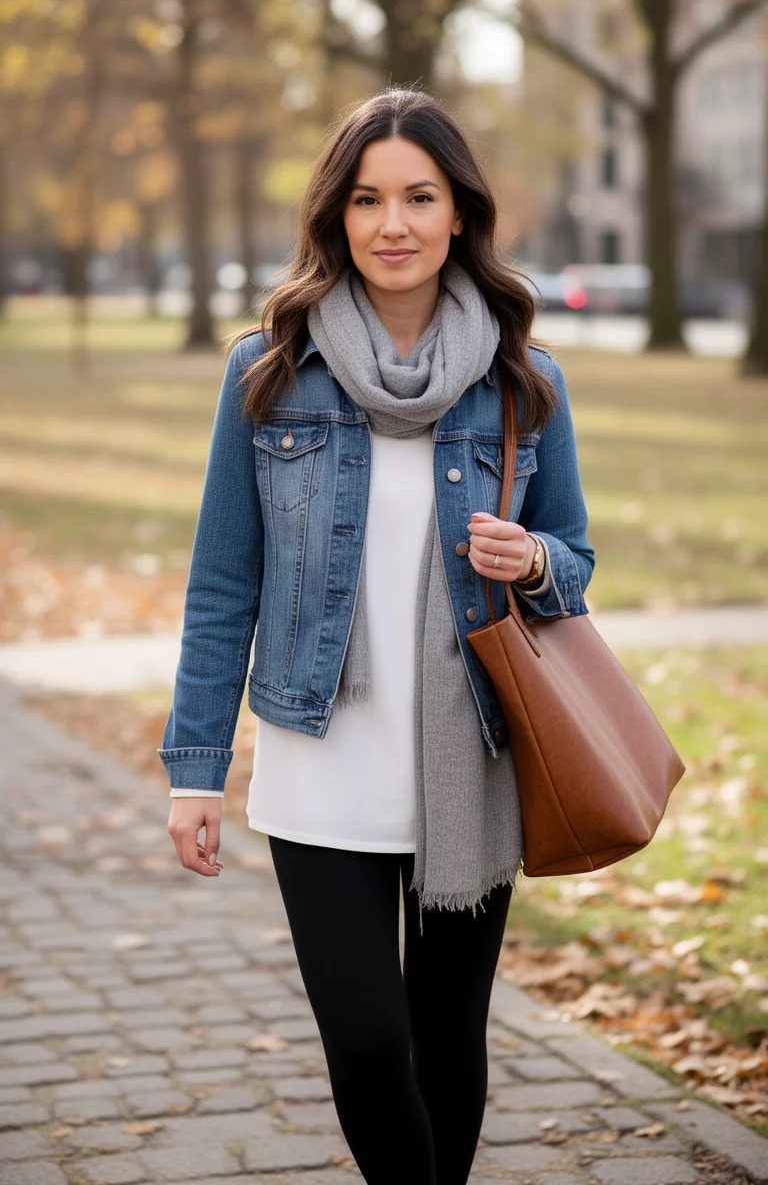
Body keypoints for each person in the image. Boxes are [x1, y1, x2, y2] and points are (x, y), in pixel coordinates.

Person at [159, 87, 595, 1185]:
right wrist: (195, 769)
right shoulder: (268, 369)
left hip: (472, 760)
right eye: (366, 199)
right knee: (365, 1043)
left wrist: (533, 562)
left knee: (449, 1040)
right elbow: (223, 583)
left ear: (460, 213)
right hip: (321, 762)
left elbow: (575, 563)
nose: (392, 223)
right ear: (336, 215)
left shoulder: (524, 380)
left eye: (418, 197)